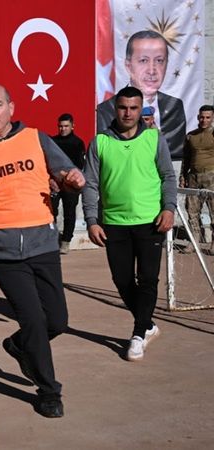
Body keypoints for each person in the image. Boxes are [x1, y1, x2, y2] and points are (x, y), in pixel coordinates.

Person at [0, 84, 85, 418]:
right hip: (1, 253)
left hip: (42, 244)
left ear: (11, 107)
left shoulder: (36, 138)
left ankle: (17, 346)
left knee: (57, 320)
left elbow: (65, 172)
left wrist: (72, 179)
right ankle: (48, 391)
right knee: (31, 319)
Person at [83, 86, 177, 362]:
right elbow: (90, 184)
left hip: (151, 221)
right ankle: (148, 324)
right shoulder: (99, 142)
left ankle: (137, 334)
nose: (128, 112)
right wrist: (91, 220)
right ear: (115, 108)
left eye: (133, 108)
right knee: (122, 279)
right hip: (113, 223)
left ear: (141, 110)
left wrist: (168, 209)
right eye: (123, 107)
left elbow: (168, 177)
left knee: (148, 279)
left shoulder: (154, 138)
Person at [96, 30, 186, 159]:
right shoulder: (106, 109)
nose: (152, 70)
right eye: (143, 61)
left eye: (159, 60)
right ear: (128, 66)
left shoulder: (175, 106)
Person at [50, 113, 86, 254]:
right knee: (50, 212)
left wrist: (69, 180)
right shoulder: (52, 141)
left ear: (72, 126)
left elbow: (79, 166)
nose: (63, 129)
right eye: (60, 126)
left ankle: (65, 242)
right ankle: (51, 240)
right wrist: (52, 180)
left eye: (66, 126)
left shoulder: (78, 143)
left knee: (69, 213)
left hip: (71, 185)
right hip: (54, 184)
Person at [180, 105, 214, 249]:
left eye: (207, 117)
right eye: (201, 117)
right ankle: (194, 241)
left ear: (212, 118)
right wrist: (182, 175)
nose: (204, 120)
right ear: (197, 117)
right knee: (192, 211)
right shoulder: (191, 135)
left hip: (211, 176)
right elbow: (186, 158)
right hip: (193, 177)